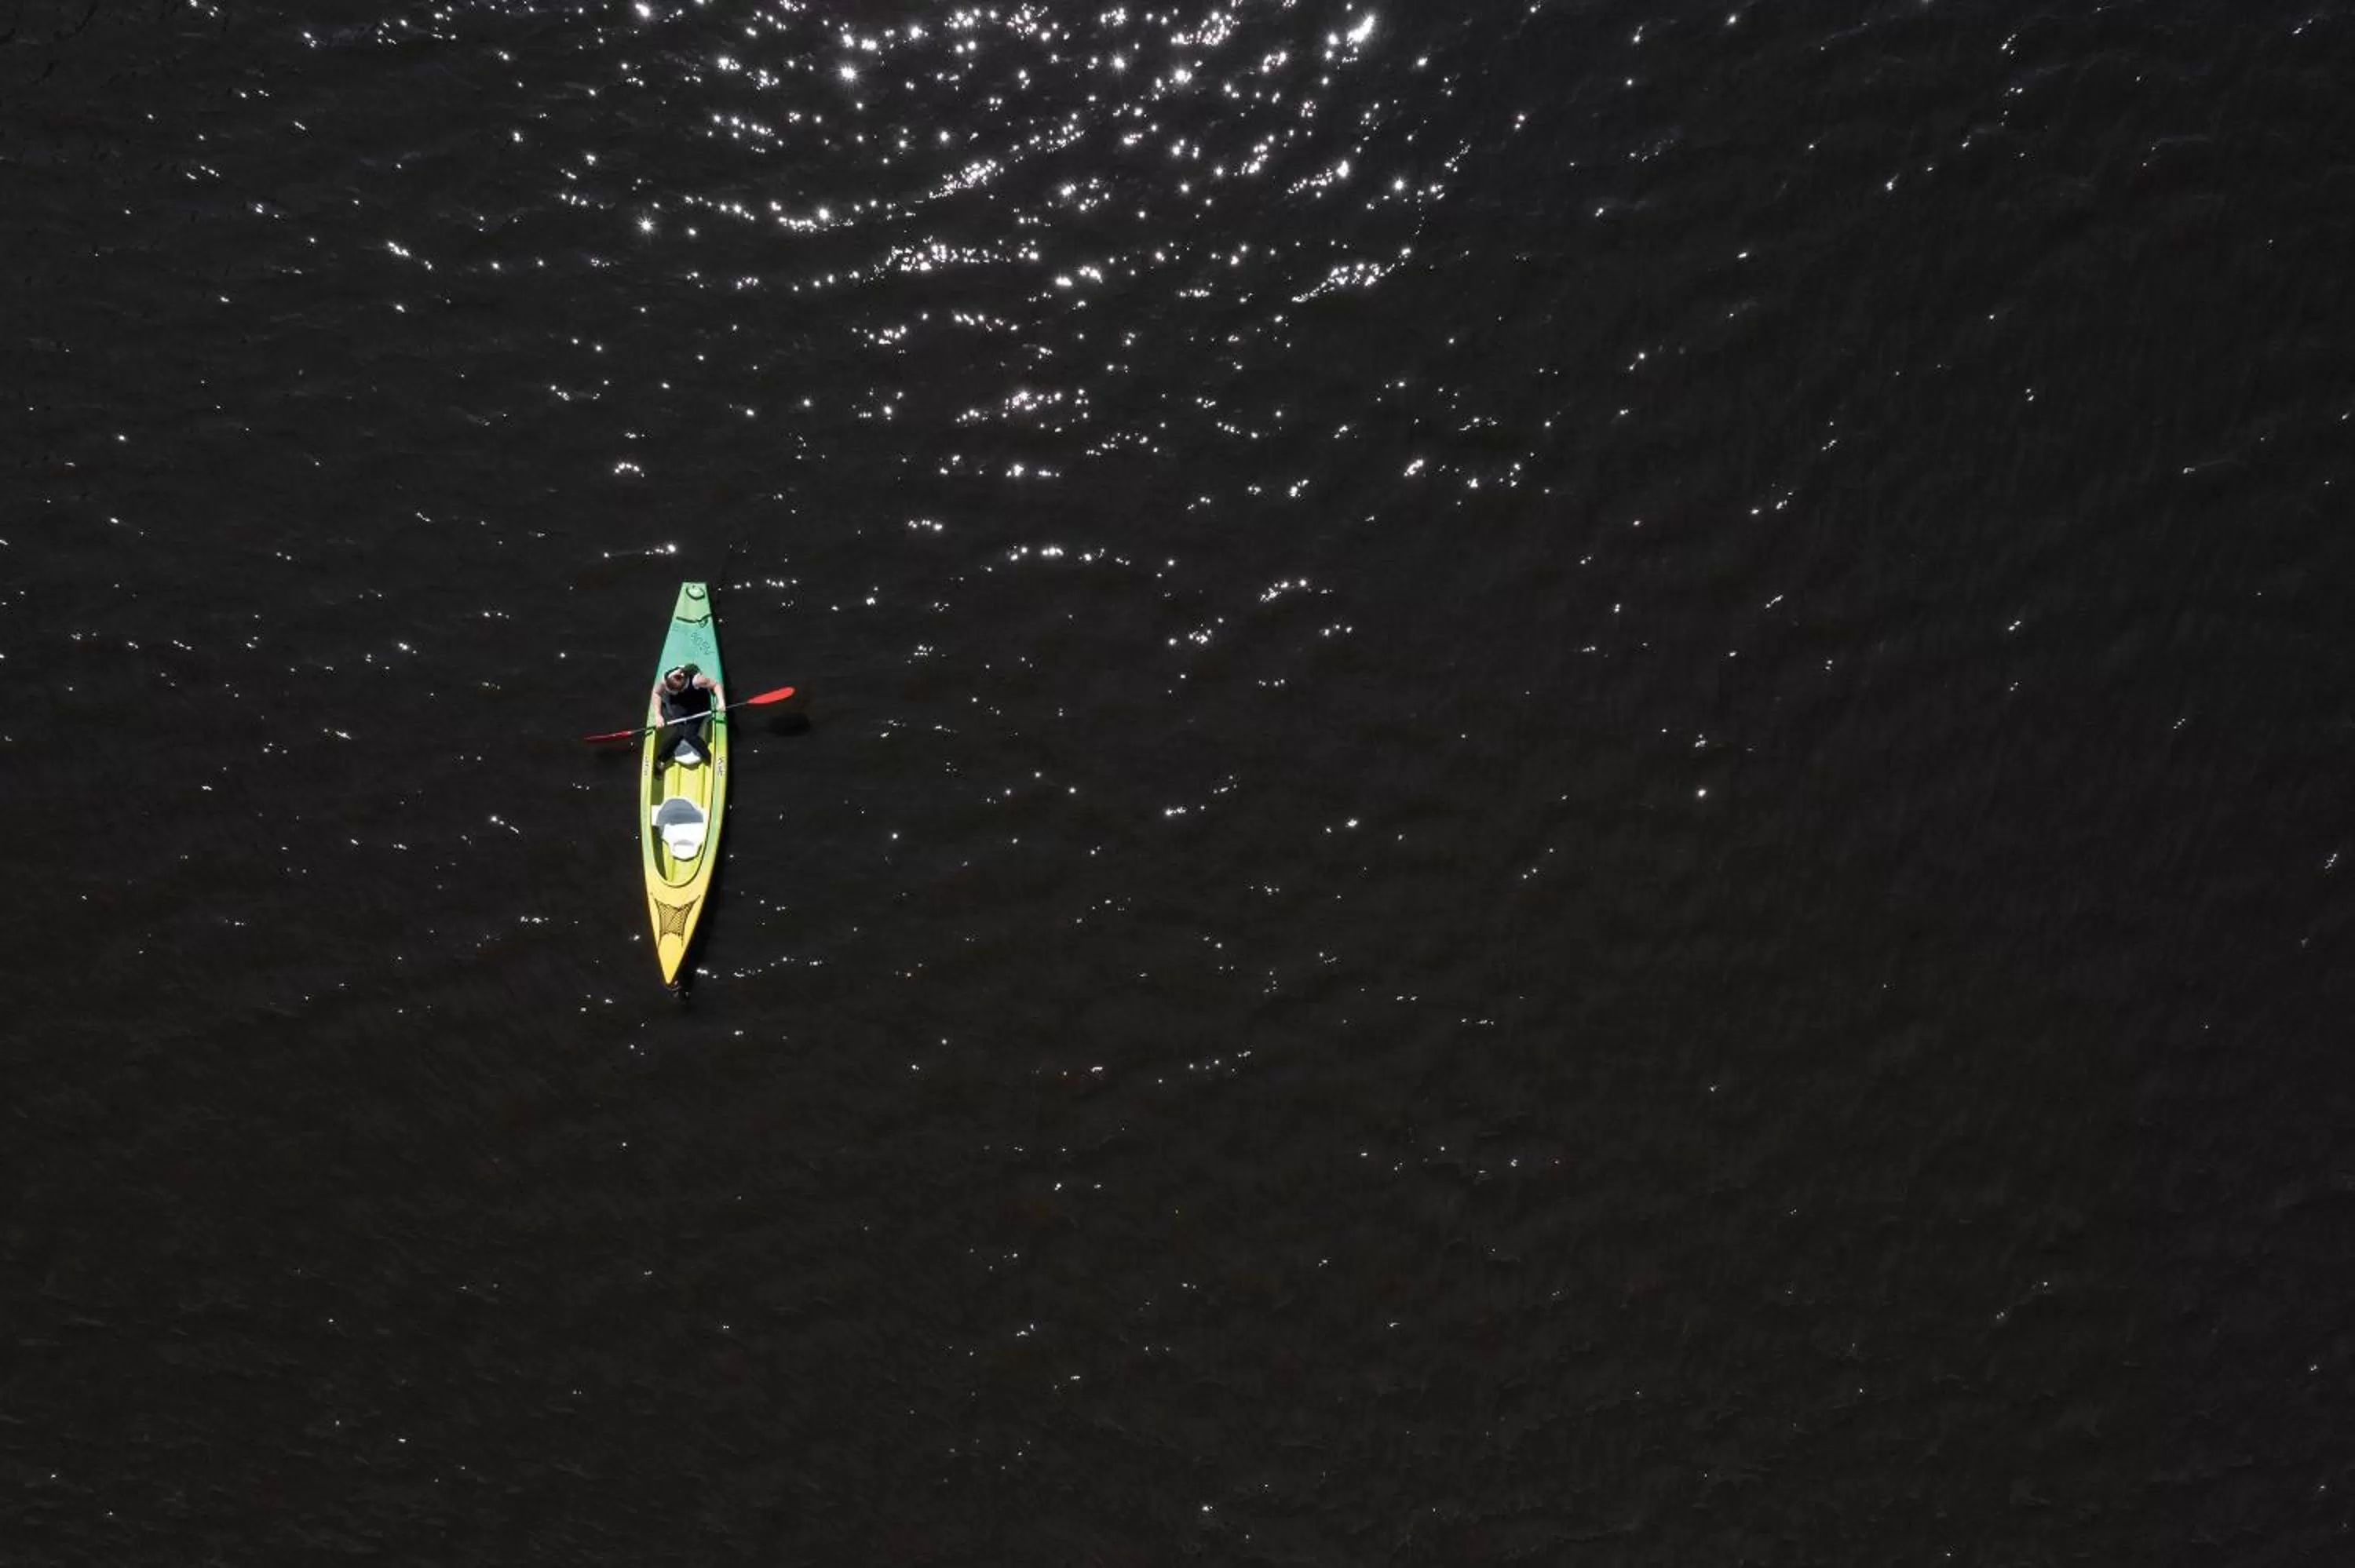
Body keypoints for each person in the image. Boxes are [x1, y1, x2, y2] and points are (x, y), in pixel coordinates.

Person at [652, 662, 720, 767]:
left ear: (683, 688)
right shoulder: (666, 678)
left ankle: (710, 759)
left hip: (698, 704)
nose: (671, 692)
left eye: (674, 691)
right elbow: (656, 693)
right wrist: (658, 715)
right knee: (681, 731)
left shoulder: (697, 680)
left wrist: (721, 703)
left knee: (689, 735)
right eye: (670, 691)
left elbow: (716, 685)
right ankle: (662, 758)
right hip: (680, 704)